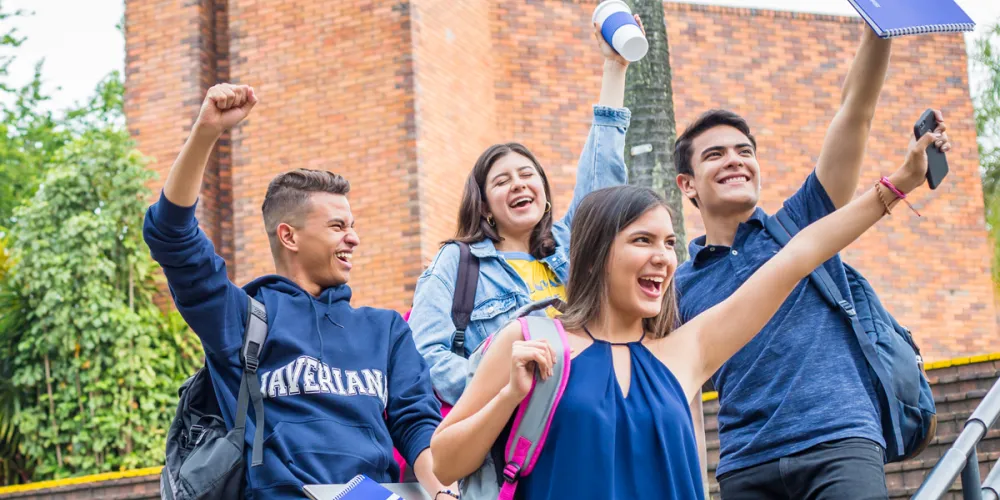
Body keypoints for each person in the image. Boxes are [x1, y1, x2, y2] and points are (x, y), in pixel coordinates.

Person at [428, 116, 950, 499]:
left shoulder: (687, 350)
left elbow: (799, 255)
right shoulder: (529, 340)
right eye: (642, 241)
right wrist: (507, 397)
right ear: (596, 253)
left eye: (670, 243)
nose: (663, 257)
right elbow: (447, 461)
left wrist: (898, 184)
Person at [143, 85, 450, 499]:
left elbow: (416, 425)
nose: (354, 238)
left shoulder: (386, 330)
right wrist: (205, 133)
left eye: (352, 225)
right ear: (289, 236)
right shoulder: (241, 320)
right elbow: (171, 236)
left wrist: (441, 492)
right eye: (338, 227)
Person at [672, 30, 938, 498]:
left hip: (839, 441)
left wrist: (882, 26)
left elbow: (855, 110)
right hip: (744, 466)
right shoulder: (680, 285)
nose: (735, 162)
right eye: (715, 155)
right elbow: (685, 399)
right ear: (688, 185)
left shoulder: (802, 220)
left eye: (745, 152)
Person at [408, 17, 638, 404]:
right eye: (501, 181)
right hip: (515, 436)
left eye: (527, 175)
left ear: (545, 195)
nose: (518, 184)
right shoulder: (456, 264)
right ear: (484, 207)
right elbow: (425, 361)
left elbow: (603, 179)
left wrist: (614, 68)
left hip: (595, 412)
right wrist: (501, 381)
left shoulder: (570, 245)